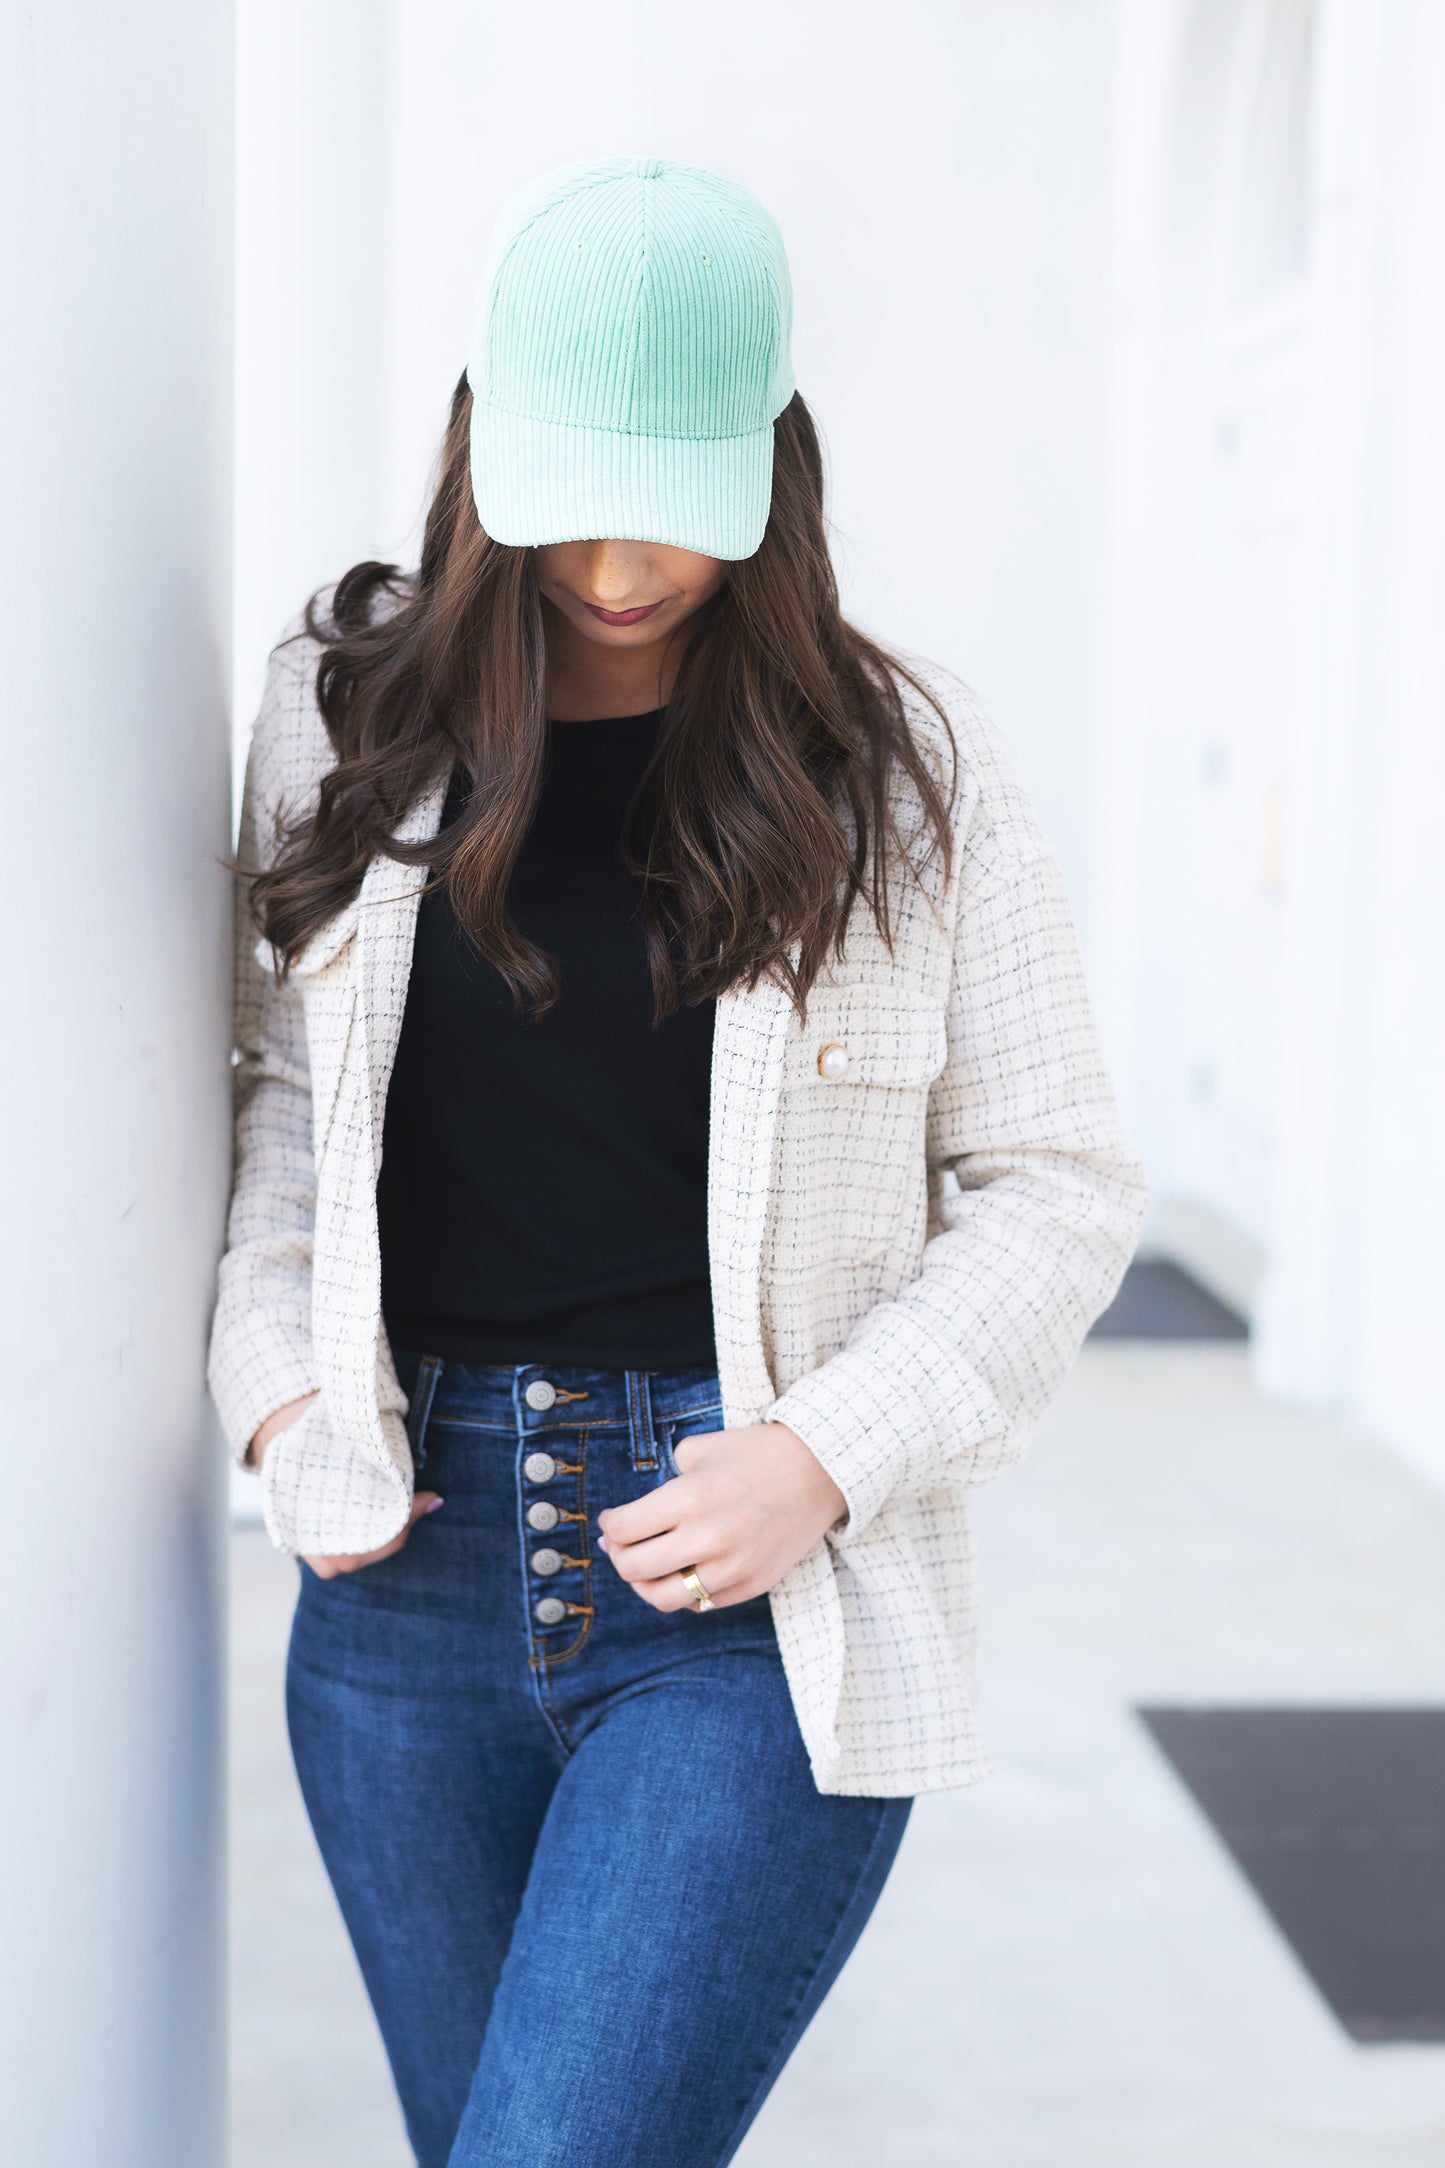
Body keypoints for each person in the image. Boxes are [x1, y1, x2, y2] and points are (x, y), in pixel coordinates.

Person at [209, 154, 1147, 2168]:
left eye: (684, 505)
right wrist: (279, 1395)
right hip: (402, 1581)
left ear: (774, 472)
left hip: (744, 1599)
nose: (627, 559)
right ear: (482, 452)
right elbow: (283, 1102)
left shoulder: (909, 770)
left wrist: (828, 1446)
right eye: (576, 495)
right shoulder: (343, 715)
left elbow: (1060, 1177)